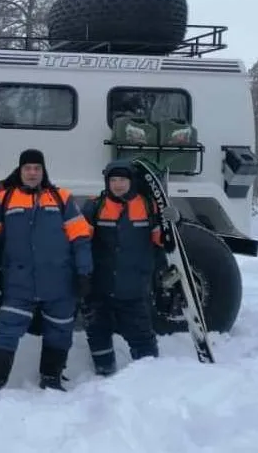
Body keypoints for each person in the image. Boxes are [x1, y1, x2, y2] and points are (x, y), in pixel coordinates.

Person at [0, 148, 93, 391]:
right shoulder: (5, 199)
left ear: (43, 171)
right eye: (28, 168)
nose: (32, 173)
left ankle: (51, 378)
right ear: (20, 171)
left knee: (59, 330)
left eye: (37, 168)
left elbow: (81, 238)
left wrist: (84, 272)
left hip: (59, 281)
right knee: (5, 329)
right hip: (19, 282)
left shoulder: (61, 199)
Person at [79, 159, 177, 375]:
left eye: (122, 179)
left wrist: (173, 223)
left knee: (141, 335)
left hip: (134, 287)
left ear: (130, 181)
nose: (118, 184)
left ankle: (147, 377)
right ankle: (104, 374)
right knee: (97, 333)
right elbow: (80, 241)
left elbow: (162, 241)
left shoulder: (148, 206)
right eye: (113, 180)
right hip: (99, 287)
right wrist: (82, 274)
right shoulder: (95, 206)